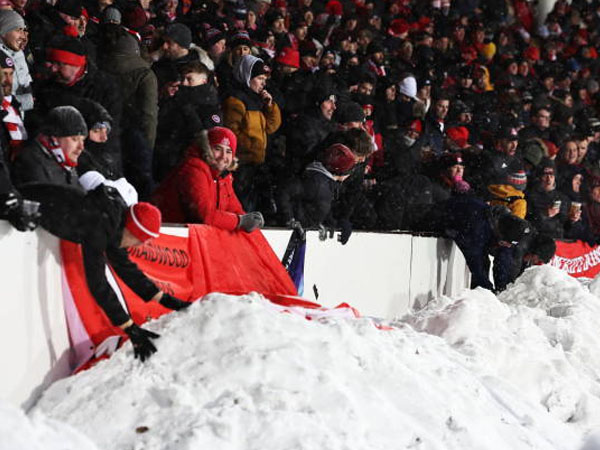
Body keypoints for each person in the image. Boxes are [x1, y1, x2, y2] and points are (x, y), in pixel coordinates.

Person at [152, 126, 264, 232]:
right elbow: (203, 214)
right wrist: (240, 221)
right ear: (207, 149)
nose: (223, 156)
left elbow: (234, 209)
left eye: (228, 151)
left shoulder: (223, 176)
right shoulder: (193, 168)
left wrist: (250, 220)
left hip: (191, 238)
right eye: (218, 149)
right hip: (166, 238)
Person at [223, 54, 281, 209]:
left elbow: (271, 126)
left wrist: (270, 107)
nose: (263, 83)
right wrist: (254, 147)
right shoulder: (235, 100)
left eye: (265, 80)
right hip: (241, 167)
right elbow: (231, 132)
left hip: (255, 166)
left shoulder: (257, 99)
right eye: (260, 78)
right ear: (247, 75)